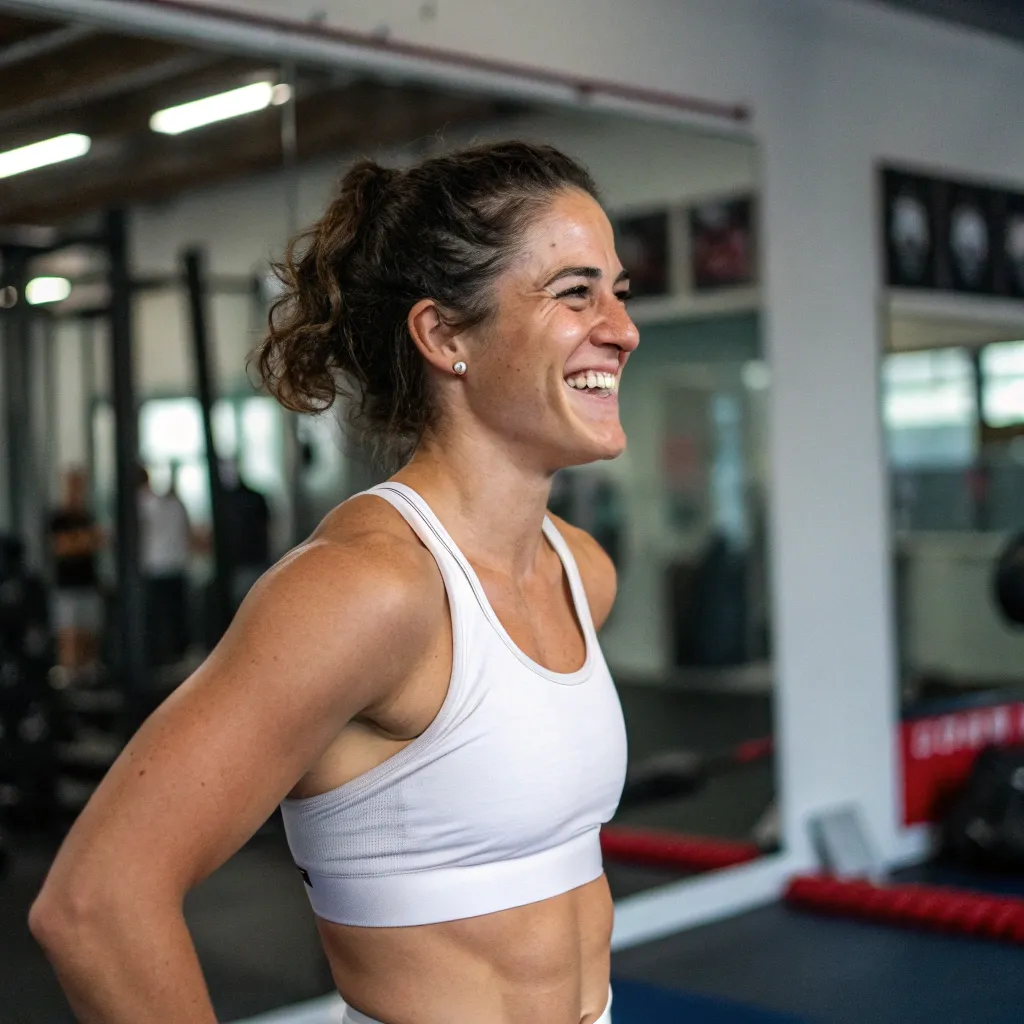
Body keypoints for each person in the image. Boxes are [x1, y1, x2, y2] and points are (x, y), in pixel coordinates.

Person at [29, 141, 639, 1024]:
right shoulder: (367, 589)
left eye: (619, 291)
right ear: (444, 335)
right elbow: (95, 906)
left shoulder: (582, 572)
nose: (619, 327)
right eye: (574, 292)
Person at [48, 467, 104, 675]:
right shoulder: (59, 518)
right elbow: (62, 547)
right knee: (69, 634)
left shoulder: (87, 516)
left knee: (89, 632)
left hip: (87, 583)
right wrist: (85, 540)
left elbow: (96, 541)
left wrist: (81, 540)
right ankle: (70, 678)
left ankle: (88, 676)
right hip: (67, 585)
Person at [138, 464, 192, 667]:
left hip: (155, 567)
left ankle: (160, 657)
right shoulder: (176, 504)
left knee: (157, 617)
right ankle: (174, 656)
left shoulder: (144, 504)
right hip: (174, 565)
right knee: (174, 615)